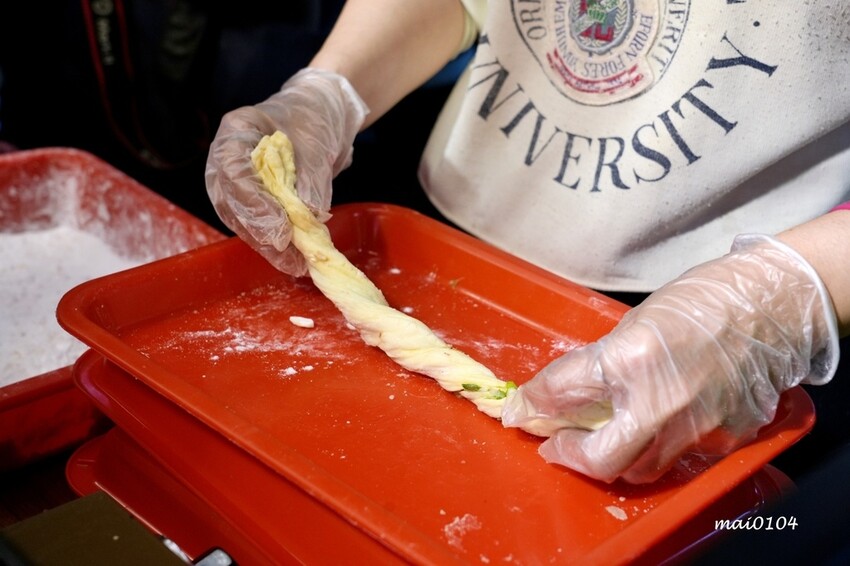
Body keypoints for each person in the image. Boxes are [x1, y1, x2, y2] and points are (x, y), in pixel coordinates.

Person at [205, 1, 850, 484]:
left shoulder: (751, 319)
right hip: (448, 226)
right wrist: (332, 90)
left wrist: (777, 301)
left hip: (733, 313)